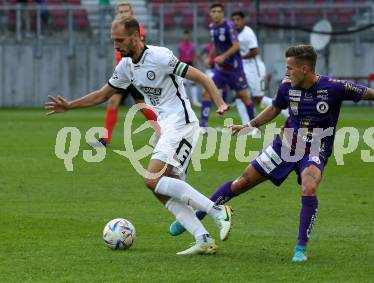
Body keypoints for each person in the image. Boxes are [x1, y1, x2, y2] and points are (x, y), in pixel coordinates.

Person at [169, 44, 374, 262]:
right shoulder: (287, 87)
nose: (285, 72)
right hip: (285, 145)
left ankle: (300, 248)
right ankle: (195, 216)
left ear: (305, 70)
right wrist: (250, 125)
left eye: (290, 67)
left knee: (309, 187)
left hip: (316, 148)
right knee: (241, 183)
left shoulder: (334, 88)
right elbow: (275, 109)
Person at [45, 16, 233, 255]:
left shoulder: (160, 56)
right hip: (168, 127)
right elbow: (102, 94)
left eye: (120, 40)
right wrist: (70, 105)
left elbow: (202, 77)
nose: (116, 45)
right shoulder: (126, 66)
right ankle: (202, 238)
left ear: (135, 35)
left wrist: (219, 103)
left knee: (151, 179)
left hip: (182, 124)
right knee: (161, 190)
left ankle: (217, 211)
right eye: (114, 40)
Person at [92, 2, 159, 147]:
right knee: (113, 102)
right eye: (120, 11)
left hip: (134, 73)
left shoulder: (137, 30)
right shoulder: (118, 29)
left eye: (126, 11)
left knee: (141, 105)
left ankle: (163, 132)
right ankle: (106, 140)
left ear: (131, 12)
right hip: (123, 74)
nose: (123, 13)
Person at [200, 2, 254, 131]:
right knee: (206, 92)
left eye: (219, 11)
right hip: (220, 70)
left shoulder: (229, 26)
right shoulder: (212, 27)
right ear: (210, 14)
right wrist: (209, 57)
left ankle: (254, 125)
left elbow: (236, 45)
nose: (216, 14)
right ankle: (203, 127)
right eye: (213, 11)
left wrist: (223, 56)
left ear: (223, 13)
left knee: (244, 96)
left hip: (234, 69)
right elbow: (215, 45)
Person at [231, 11, 289, 120]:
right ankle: (247, 126)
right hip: (242, 68)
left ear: (243, 20)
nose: (235, 22)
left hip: (254, 68)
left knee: (258, 98)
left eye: (238, 19)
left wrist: (240, 58)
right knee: (240, 95)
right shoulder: (233, 34)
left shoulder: (248, 33)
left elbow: (254, 51)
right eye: (233, 20)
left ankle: (286, 111)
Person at [178, 30, 200, 107]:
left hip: (190, 66)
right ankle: (184, 100)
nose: (186, 37)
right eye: (185, 35)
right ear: (183, 36)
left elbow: (194, 56)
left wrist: (194, 66)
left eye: (187, 35)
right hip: (183, 66)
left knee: (193, 84)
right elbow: (179, 56)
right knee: (183, 84)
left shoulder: (192, 46)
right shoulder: (180, 46)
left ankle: (195, 101)